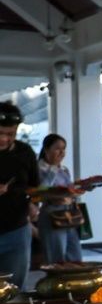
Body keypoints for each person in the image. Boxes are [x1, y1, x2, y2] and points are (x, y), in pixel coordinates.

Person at [0, 102, 38, 288]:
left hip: (16, 231)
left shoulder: (25, 153)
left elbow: (33, 187)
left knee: (15, 289)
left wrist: (32, 203)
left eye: (10, 134)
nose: (4, 139)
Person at [36, 133, 83, 264]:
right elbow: (40, 191)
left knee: (75, 257)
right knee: (56, 260)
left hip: (69, 215)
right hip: (52, 216)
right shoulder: (38, 168)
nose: (62, 152)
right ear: (46, 150)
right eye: (57, 148)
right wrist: (53, 169)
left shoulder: (64, 169)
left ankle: (73, 283)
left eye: (64, 148)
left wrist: (80, 187)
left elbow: (69, 190)